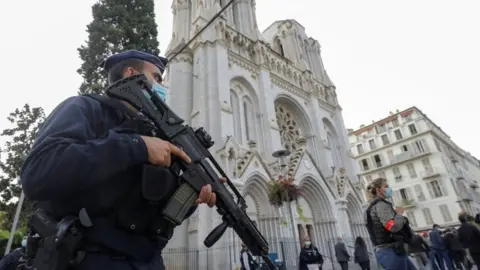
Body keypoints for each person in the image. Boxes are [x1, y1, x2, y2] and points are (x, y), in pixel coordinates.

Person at [19, 50, 227, 270]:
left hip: (147, 262)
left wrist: (191, 198)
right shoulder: (86, 108)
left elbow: (155, 217)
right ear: (131, 73)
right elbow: (38, 173)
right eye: (156, 77)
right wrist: (138, 146)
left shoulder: (157, 136)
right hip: (85, 257)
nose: (161, 87)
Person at [364, 177, 416, 270]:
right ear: (378, 190)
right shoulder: (381, 204)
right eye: (386, 186)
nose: (389, 189)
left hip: (389, 249)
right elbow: (391, 226)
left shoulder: (372, 206)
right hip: (391, 250)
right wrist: (399, 215)